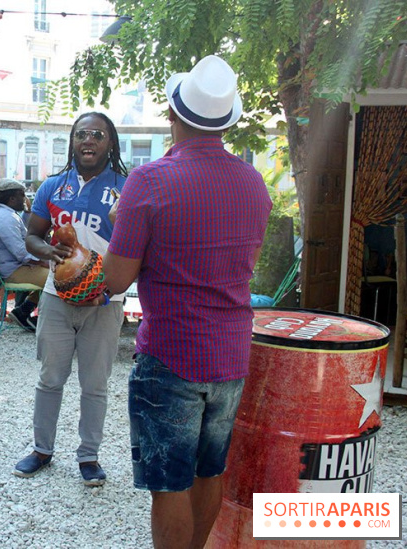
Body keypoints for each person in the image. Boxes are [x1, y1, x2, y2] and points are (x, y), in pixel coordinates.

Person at [102, 56, 272, 549]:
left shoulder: (149, 182)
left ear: (174, 117)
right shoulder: (253, 184)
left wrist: (125, 227)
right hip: (232, 354)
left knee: (169, 482)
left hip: (172, 353)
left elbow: (115, 280)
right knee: (209, 469)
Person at [13, 112, 127, 486]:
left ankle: (89, 456)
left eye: (97, 134)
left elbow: (137, 249)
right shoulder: (53, 186)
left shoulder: (126, 188)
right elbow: (32, 236)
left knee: (95, 383)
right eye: (81, 134)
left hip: (104, 302)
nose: (88, 141)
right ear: (73, 142)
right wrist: (47, 252)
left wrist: (106, 289)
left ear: (110, 142)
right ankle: (42, 449)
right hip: (56, 297)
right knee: (50, 377)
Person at [0, 178, 48, 331]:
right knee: (59, 278)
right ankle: (39, 318)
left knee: (57, 274)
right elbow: (21, 252)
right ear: (12, 198)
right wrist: (43, 261)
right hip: (14, 271)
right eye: (22, 195)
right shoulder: (4, 218)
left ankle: (23, 311)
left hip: (19, 267)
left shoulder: (8, 215)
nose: (25, 199)